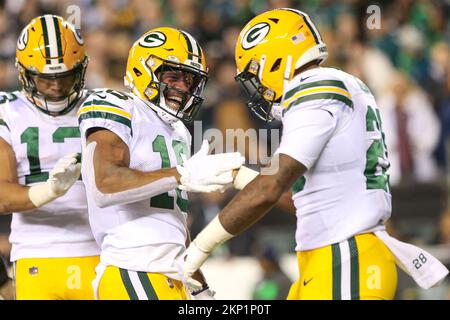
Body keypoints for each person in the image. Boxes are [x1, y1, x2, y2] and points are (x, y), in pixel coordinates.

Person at [183, 8, 449, 300]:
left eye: (256, 73)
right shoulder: (338, 86)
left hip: (345, 259)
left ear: (276, 61)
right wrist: (237, 176)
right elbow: (307, 200)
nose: (256, 86)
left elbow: (271, 188)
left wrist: (199, 248)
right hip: (333, 259)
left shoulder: (315, 88)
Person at [78, 27, 244, 300]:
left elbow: (172, 222)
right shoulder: (117, 104)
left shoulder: (178, 129)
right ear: (145, 71)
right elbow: (104, 185)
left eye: (190, 81)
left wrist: (198, 283)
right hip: (134, 269)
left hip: (172, 276)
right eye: (173, 77)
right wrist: (181, 173)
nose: (183, 87)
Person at [0, 15, 100, 299]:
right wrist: (50, 190)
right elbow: (2, 196)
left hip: (103, 250)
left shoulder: (102, 105)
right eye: (45, 78)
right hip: (37, 252)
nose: (56, 86)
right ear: (24, 73)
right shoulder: (8, 110)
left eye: (64, 76)